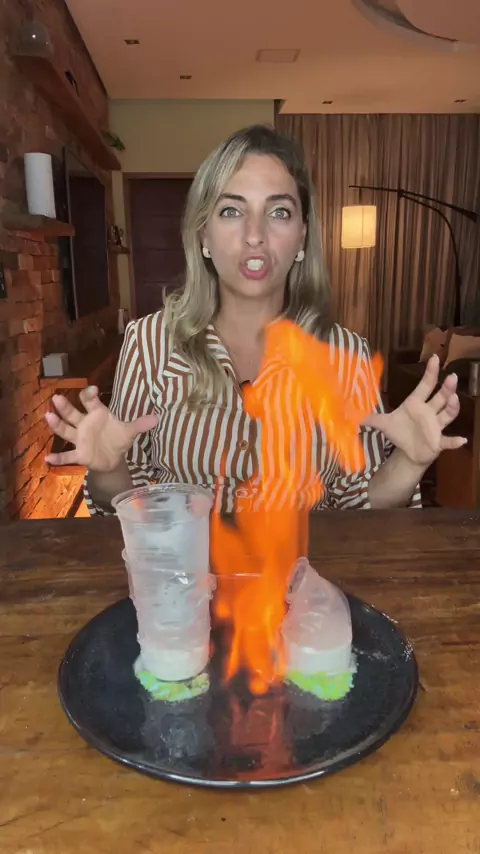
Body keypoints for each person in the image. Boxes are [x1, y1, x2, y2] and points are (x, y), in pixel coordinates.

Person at [44, 125, 465, 514]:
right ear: (203, 234)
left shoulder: (346, 353)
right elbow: (126, 503)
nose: (255, 235)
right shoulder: (148, 342)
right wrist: (108, 467)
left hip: (305, 571)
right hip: (188, 570)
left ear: (302, 235)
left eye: (279, 212)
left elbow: (360, 507)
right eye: (231, 210)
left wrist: (410, 462)